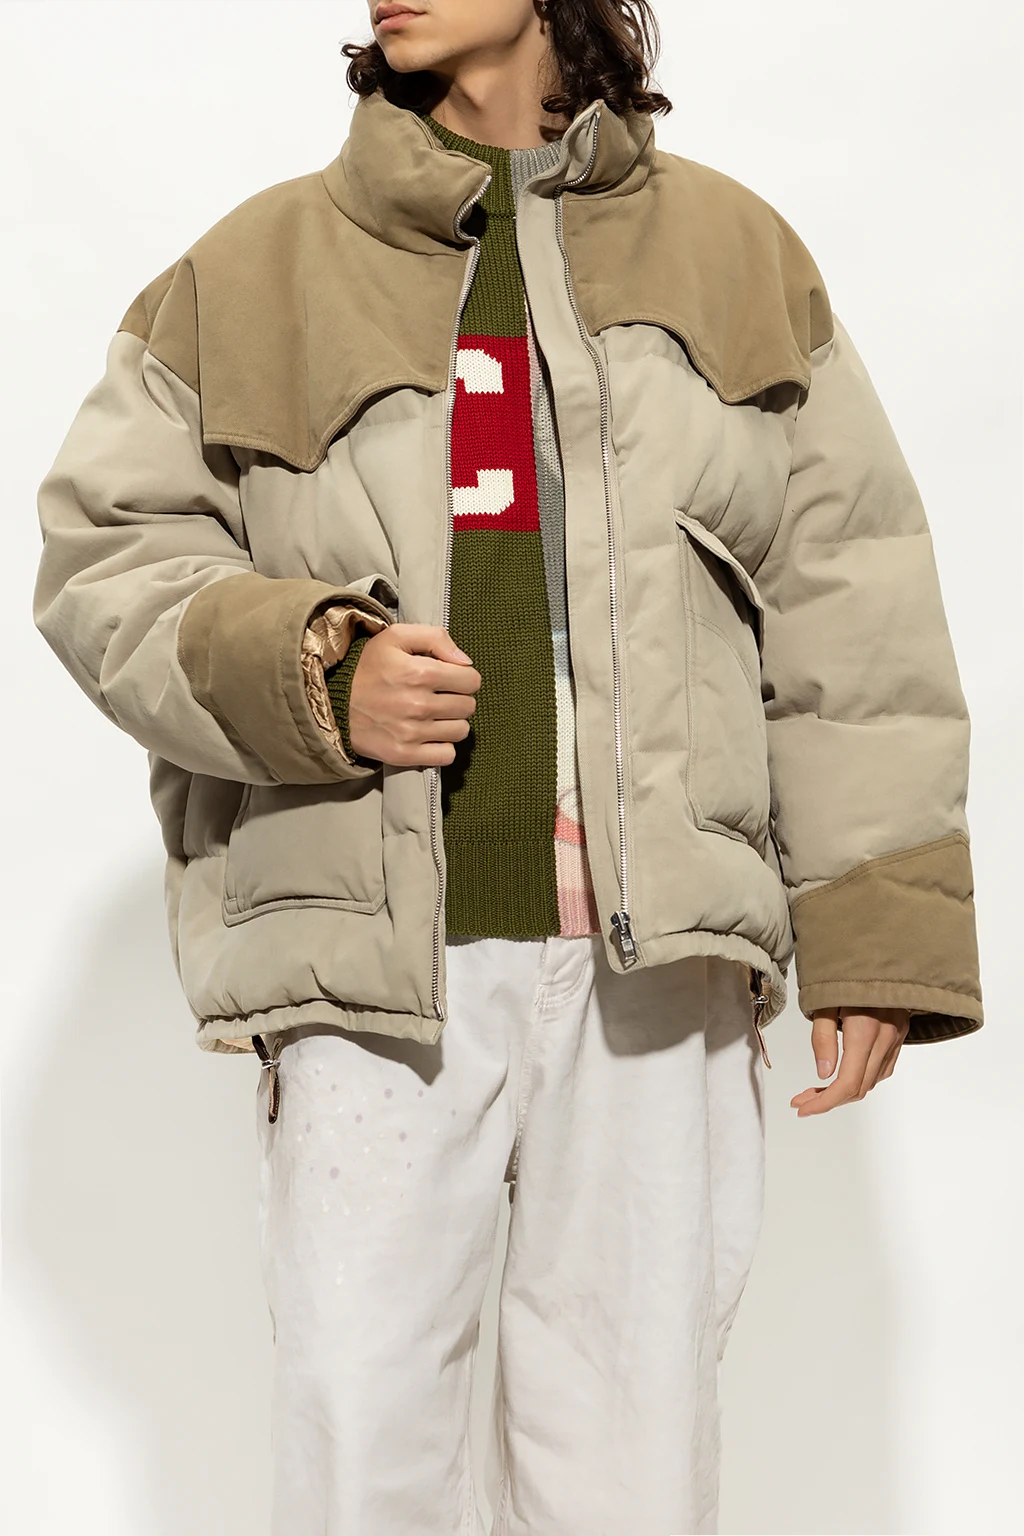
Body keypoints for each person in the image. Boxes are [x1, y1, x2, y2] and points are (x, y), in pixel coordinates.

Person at [32, 1, 984, 1531]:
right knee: (362, 1455)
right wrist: (316, 671)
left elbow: (848, 598)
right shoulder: (253, 271)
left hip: (656, 966)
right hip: (373, 966)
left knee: (634, 1458)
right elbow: (104, 558)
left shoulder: (737, 257)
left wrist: (876, 929)